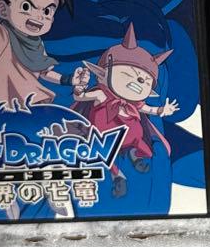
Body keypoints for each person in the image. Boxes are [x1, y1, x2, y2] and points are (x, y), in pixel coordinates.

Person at [72, 22, 178, 197]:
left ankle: (135, 155)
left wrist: (162, 110)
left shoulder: (135, 103)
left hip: (132, 136)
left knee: (145, 149)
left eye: (146, 80)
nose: (139, 82)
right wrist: (79, 87)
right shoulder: (101, 94)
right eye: (129, 74)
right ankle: (118, 176)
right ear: (103, 73)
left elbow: (148, 109)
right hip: (105, 138)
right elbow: (80, 97)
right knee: (105, 155)